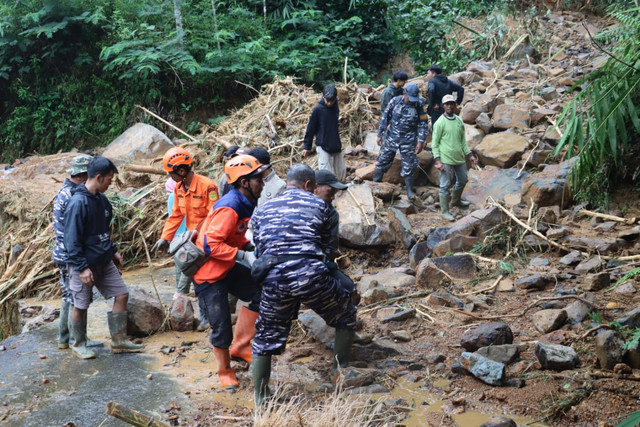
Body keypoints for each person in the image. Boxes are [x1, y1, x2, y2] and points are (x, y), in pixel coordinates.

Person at [250, 164, 358, 405]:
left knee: (265, 336)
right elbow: (324, 247)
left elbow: (260, 245)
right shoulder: (320, 206)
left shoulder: (262, 209)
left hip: (273, 276)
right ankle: (338, 371)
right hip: (309, 274)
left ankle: (261, 397)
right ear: (310, 185)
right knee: (345, 314)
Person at [192, 154, 269, 390]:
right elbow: (209, 245)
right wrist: (244, 255)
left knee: (262, 293)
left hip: (226, 267)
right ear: (244, 182)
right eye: (258, 179)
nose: (263, 183)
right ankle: (225, 371)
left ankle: (241, 347)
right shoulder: (231, 206)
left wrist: (249, 246)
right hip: (208, 274)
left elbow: (234, 234)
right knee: (221, 326)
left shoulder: (245, 201)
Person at [64, 156, 144, 359]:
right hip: (84, 263)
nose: (111, 182)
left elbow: (103, 232)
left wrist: (113, 251)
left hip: (103, 260)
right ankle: (78, 343)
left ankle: (119, 341)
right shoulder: (78, 203)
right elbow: (71, 241)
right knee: (81, 304)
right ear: (98, 177)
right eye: (109, 178)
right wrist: (82, 268)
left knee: (122, 293)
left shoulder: (102, 200)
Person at [152, 147, 219, 330]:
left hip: (208, 239)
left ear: (181, 171)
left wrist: (197, 233)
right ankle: (205, 316)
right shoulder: (179, 188)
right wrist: (165, 237)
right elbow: (175, 215)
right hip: (190, 242)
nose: (169, 176)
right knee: (196, 279)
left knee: (208, 280)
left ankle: (210, 316)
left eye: (170, 173)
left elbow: (214, 215)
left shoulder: (207, 186)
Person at [52, 154, 102, 350]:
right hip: (69, 256)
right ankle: (74, 339)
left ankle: (67, 338)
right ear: (82, 176)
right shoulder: (74, 196)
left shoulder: (66, 192)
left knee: (70, 295)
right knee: (77, 296)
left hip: (65, 253)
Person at [373, 82, 429, 200]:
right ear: (404, 94)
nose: (412, 101)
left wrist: (421, 141)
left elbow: (423, 124)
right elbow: (385, 118)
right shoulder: (395, 101)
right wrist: (380, 134)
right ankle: (375, 185)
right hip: (392, 137)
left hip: (409, 139)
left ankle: (409, 191)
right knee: (383, 160)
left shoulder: (419, 105)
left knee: (408, 164)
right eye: (410, 98)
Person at [314, 169, 360, 305]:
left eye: (335, 193)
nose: (333, 197)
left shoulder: (331, 213)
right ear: (315, 187)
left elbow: (331, 246)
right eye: (330, 192)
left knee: (350, 290)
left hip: (318, 264)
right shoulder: (293, 206)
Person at [432, 94, 478, 221]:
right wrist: (438, 160)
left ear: (455, 105)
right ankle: (445, 211)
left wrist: (470, 155)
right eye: (447, 104)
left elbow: (463, 141)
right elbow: (434, 144)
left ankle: (456, 200)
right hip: (445, 159)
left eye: (451, 103)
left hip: (459, 158)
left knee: (463, 180)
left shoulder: (458, 120)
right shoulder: (439, 123)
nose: (449, 106)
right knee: (445, 185)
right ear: (443, 106)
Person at [302, 84, 347, 182]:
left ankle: (341, 190)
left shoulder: (335, 106)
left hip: (335, 144)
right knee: (326, 175)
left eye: (332, 101)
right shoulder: (318, 110)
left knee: (342, 172)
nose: (330, 103)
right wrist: (307, 146)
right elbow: (311, 128)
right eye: (328, 101)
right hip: (322, 145)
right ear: (323, 97)